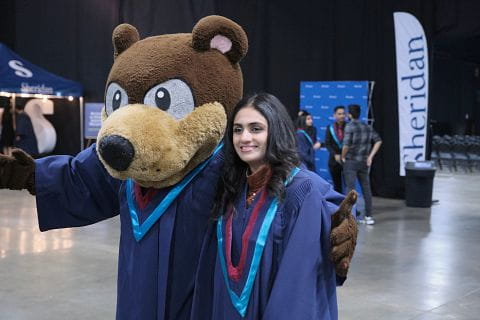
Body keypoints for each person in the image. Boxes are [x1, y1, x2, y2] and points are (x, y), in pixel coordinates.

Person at [192, 93, 353, 319]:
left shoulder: (300, 191)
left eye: (255, 128)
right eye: (237, 130)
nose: (244, 137)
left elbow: (298, 281)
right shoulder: (232, 188)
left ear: (275, 132)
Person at [341, 104, 382, 225]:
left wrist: (343, 156)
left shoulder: (349, 126)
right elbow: (378, 140)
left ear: (349, 114)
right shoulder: (367, 126)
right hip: (364, 162)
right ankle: (368, 216)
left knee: (350, 189)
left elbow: (346, 145)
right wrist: (370, 156)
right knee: (366, 189)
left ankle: (349, 217)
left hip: (351, 161)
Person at [324, 106, 346, 193]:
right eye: (339, 114)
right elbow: (327, 143)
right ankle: (339, 206)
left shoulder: (349, 127)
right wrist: (335, 154)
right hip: (334, 161)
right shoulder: (330, 128)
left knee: (348, 185)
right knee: (337, 186)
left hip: (346, 160)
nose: (342, 116)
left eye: (343, 113)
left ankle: (350, 205)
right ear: (334, 115)